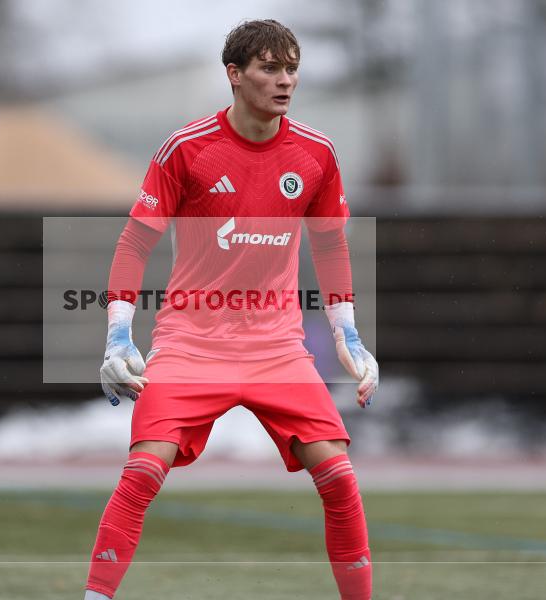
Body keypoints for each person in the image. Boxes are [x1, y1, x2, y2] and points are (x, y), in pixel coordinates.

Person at [85, 19, 378, 600]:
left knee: (340, 481)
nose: (285, 80)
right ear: (235, 75)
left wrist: (348, 333)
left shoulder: (316, 153)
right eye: (270, 68)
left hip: (277, 347)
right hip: (192, 342)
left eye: (292, 68)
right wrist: (118, 336)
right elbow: (135, 242)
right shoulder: (186, 149)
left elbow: (331, 243)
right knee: (142, 472)